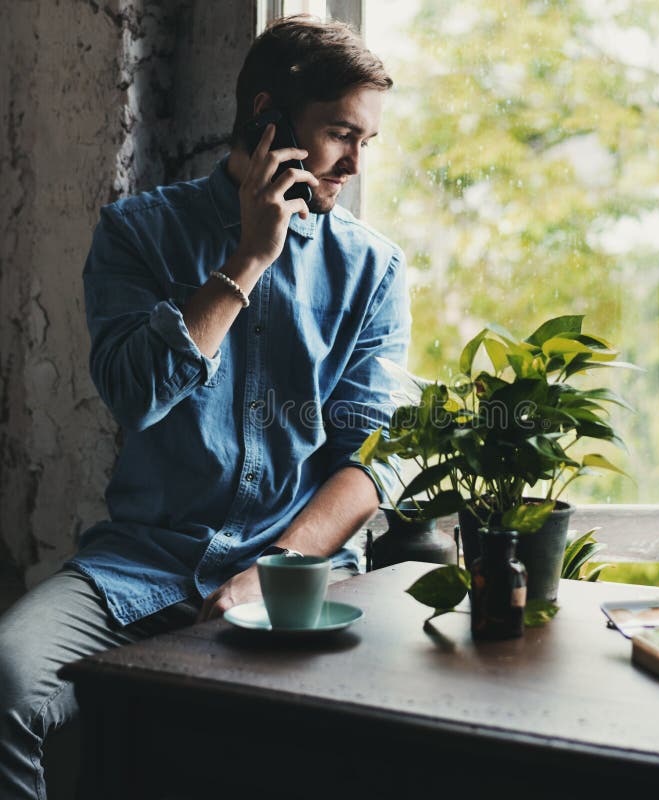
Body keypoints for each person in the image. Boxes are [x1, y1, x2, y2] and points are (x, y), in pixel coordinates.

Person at [0, 14, 409, 799]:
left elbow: (372, 456)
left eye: (368, 142)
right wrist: (248, 260)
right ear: (268, 119)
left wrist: (278, 567)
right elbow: (133, 394)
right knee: (8, 682)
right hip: (140, 568)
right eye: (339, 135)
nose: (355, 164)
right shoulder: (137, 235)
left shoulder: (375, 271)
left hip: (297, 569)